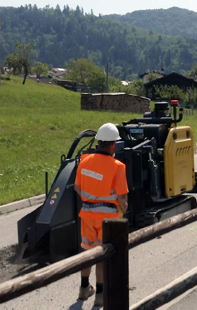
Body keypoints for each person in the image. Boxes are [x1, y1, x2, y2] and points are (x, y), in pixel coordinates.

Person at [74, 123, 129, 307]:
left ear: (99, 142)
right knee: (102, 255)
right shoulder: (117, 166)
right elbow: (122, 198)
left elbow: (77, 187)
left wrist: (91, 199)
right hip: (108, 220)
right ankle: (100, 294)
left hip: (87, 215)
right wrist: (124, 207)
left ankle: (84, 288)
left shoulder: (84, 161)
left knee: (88, 251)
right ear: (113, 145)